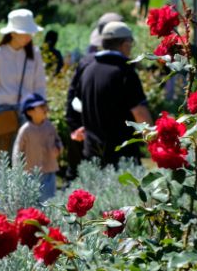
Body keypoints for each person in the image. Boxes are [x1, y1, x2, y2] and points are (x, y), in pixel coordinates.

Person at [0, 9, 47, 183]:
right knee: (0, 163)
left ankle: (24, 207)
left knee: (29, 162)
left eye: (30, 32)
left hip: (28, 113)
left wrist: (43, 115)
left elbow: (40, 88)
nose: (29, 36)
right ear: (12, 32)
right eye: (25, 32)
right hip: (3, 113)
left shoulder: (34, 54)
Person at [69, 21, 152, 166]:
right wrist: (154, 142)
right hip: (121, 157)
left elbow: (79, 105)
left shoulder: (88, 70)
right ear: (125, 44)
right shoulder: (125, 72)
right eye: (131, 43)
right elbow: (140, 113)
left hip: (91, 155)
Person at [13, 93, 62, 204]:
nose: (45, 108)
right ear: (30, 112)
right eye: (41, 107)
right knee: (31, 203)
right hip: (29, 174)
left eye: (45, 105)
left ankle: (49, 220)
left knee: (49, 202)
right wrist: (18, 173)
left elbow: (58, 141)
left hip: (49, 172)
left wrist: (58, 149)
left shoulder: (49, 126)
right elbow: (17, 152)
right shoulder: (25, 130)